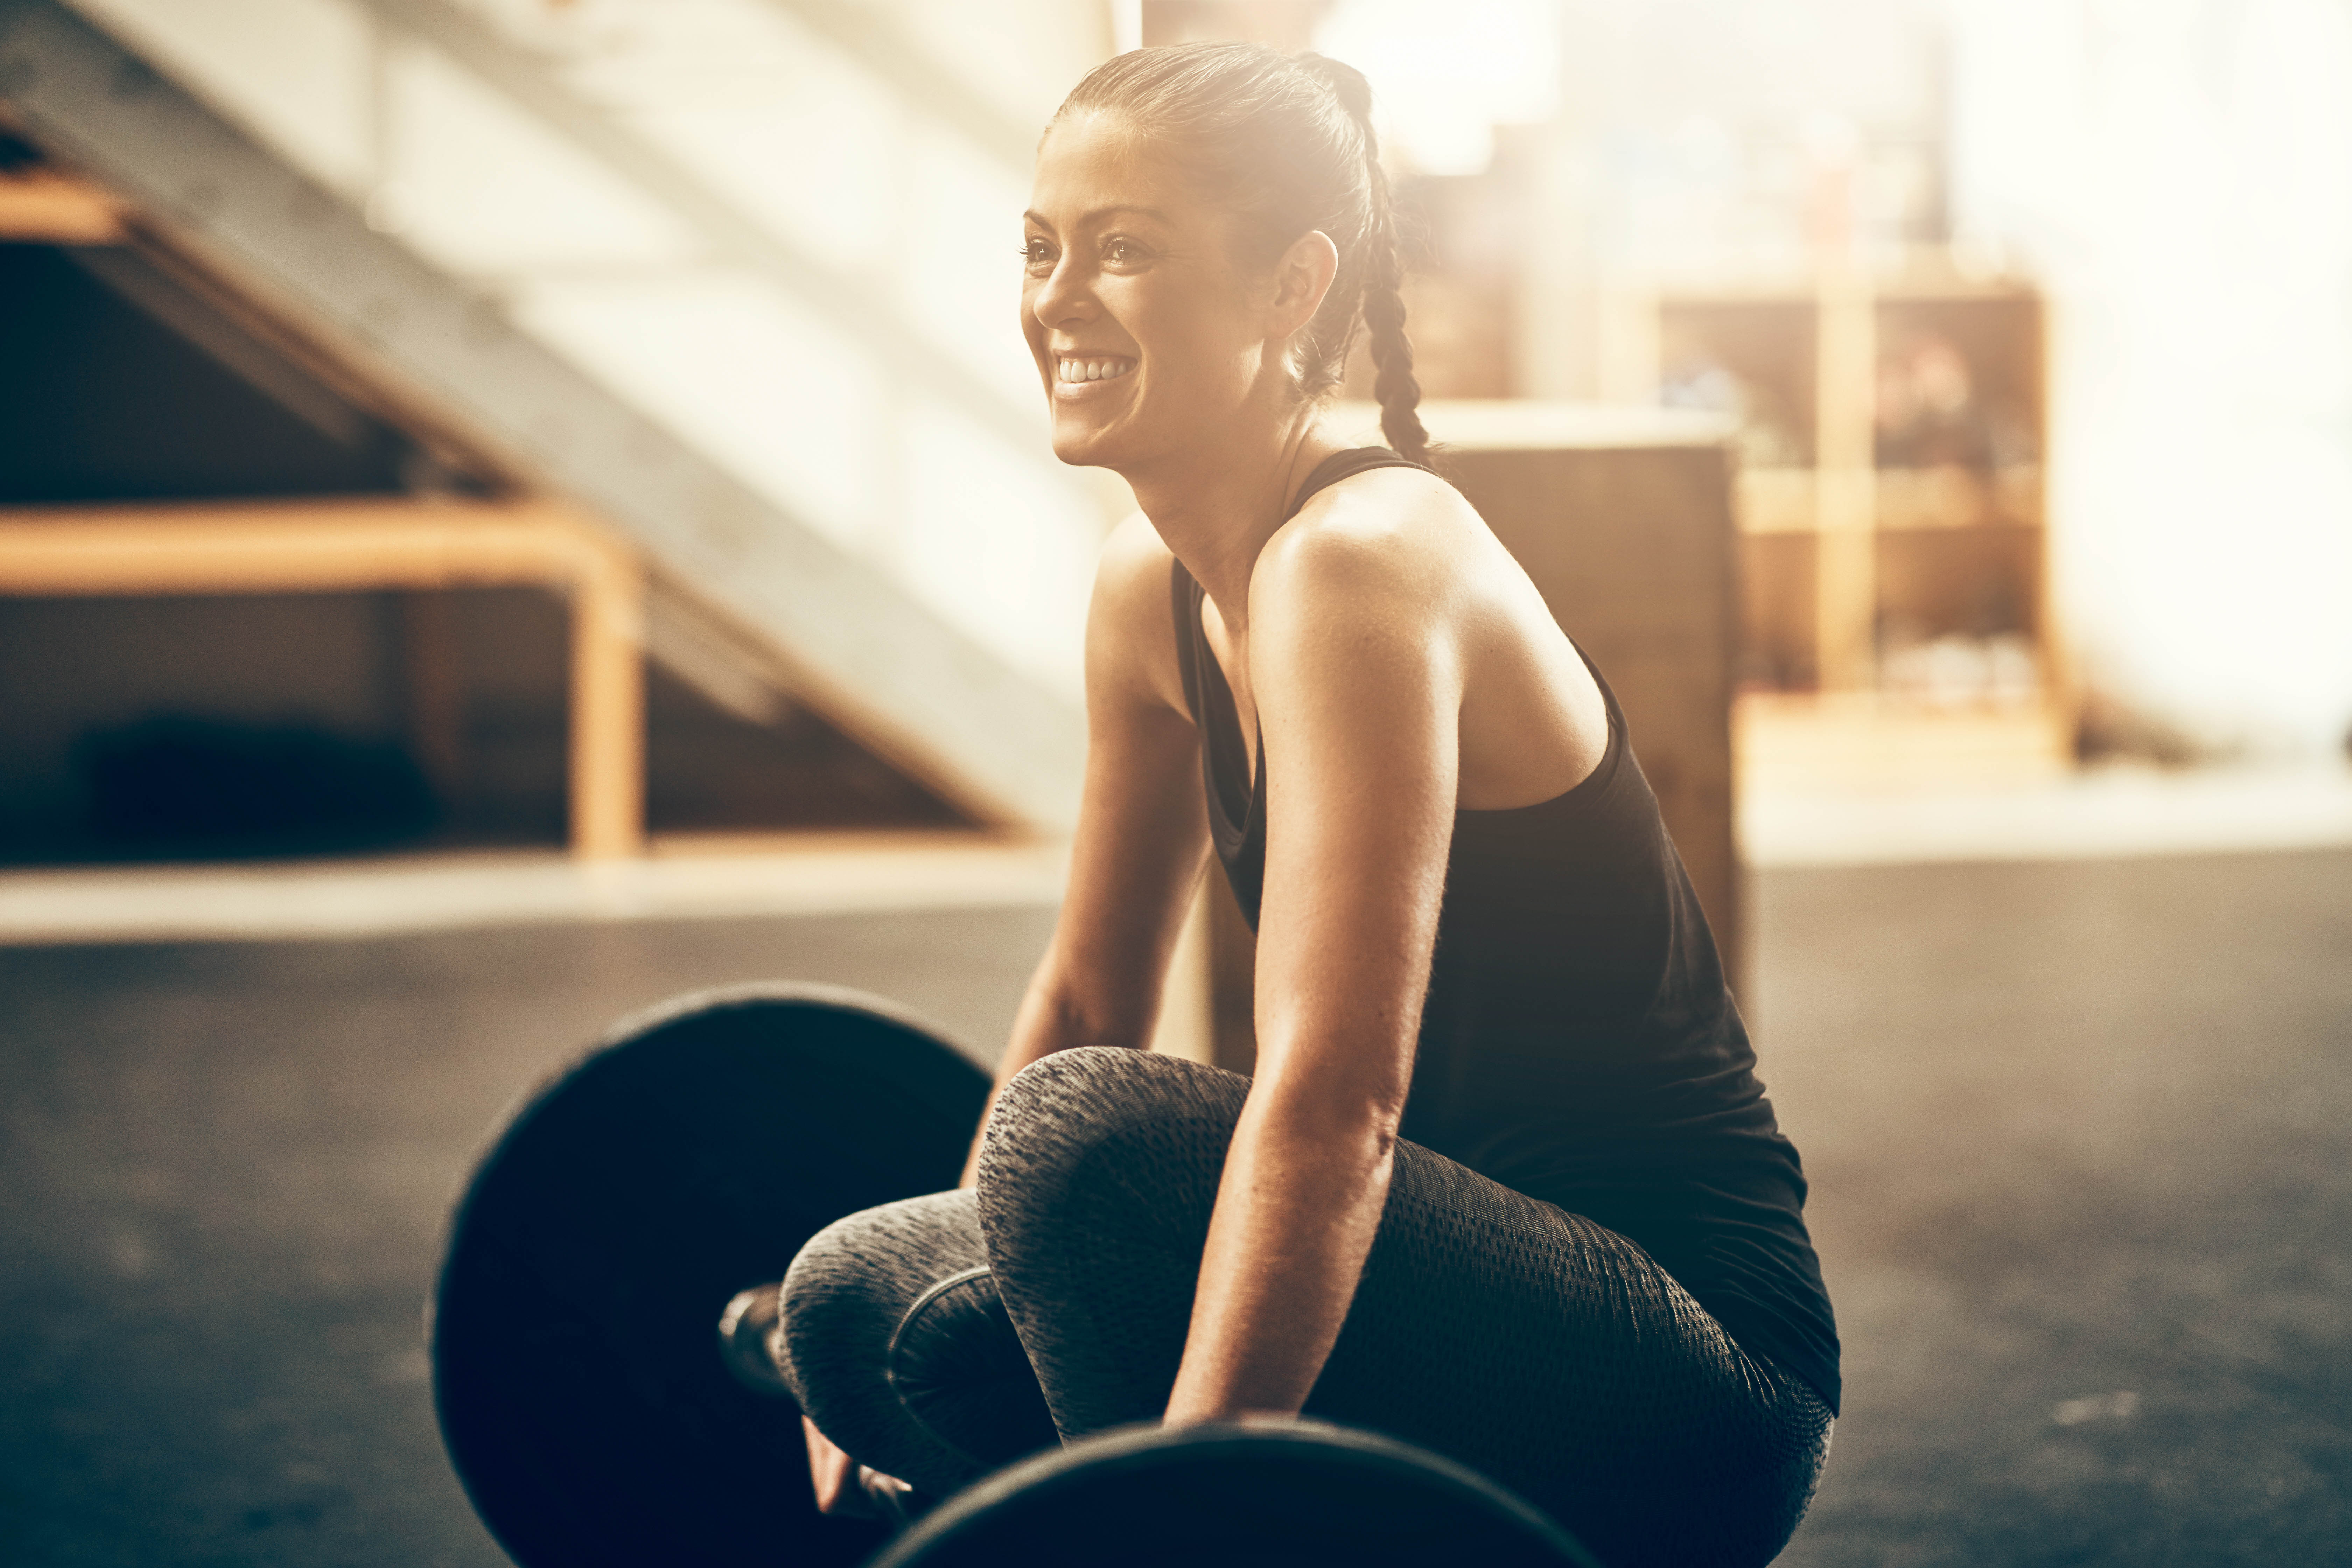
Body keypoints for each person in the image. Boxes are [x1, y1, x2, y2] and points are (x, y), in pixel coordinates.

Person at [758, 42, 1839, 1568]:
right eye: (1041, 246)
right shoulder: (1153, 590)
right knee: (858, 1297)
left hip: (1683, 1379)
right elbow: (1086, 987)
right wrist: (885, 1329)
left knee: (1083, 1149)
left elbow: (1338, 1101)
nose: (1058, 298)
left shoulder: (1364, 560)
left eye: (1125, 249)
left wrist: (1182, 1506)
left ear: (1289, 288)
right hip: (1424, 1302)